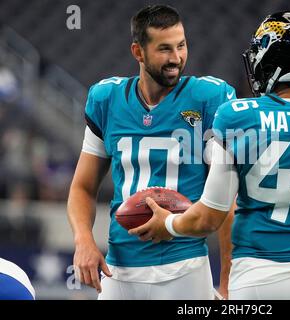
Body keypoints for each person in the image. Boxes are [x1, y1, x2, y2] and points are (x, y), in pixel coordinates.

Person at [131, 10, 290, 300]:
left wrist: (167, 225)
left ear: (273, 60)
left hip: (256, 280)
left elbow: (209, 218)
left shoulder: (240, 118)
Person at [67, 4, 236, 300]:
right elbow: (82, 186)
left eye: (181, 46)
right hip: (119, 268)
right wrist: (83, 240)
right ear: (138, 52)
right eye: (164, 49)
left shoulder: (208, 98)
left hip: (183, 265)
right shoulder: (106, 99)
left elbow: (229, 201)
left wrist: (228, 284)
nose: (176, 58)